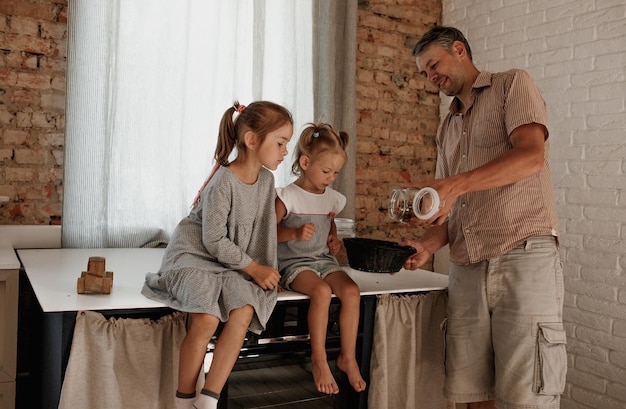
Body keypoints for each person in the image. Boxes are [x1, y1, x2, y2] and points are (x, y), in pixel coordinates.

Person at [402, 26, 566, 409]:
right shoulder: (447, 126)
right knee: (471, 393)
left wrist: (454, 186)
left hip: (523, 256)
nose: (430, 77)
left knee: (528, 396)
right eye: (424, 72)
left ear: (459, 50)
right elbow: (453, 207)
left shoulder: (512, 85)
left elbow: (531, 157)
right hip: (466, 267)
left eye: (433, 65)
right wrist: (429, 243)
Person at [141, 101, 293, 409]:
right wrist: (254, 269)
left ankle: (207, 401)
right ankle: (183, 402)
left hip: (231, 262)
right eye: (280, 143)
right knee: (207, 318)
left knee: (245, 309)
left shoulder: (267, 181)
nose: (285, 152)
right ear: (252, 140)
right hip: (195, 254)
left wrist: (267, 271)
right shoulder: (223, 182)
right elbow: (213, 240)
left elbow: (264, 232)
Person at [275, 122, 367, 395]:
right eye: (326, 171)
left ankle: (346, 357)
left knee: (351, 292)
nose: (331, 177)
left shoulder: (332, 199)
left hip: (323, 261)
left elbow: (331, 225)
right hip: (293, 264)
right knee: (322, 292)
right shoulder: (287, 196)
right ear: (305, 162)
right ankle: (318, 357)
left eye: (336, 172)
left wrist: (334, 240)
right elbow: (266, 234)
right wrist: (294, 232)